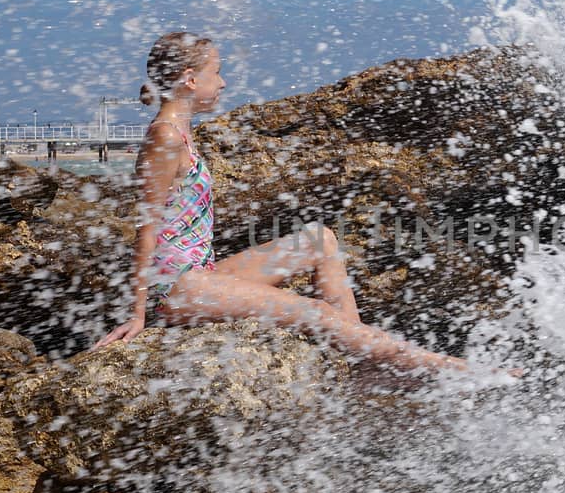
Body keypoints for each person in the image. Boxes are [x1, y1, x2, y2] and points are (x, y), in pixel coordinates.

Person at [94, 30, 472, 374]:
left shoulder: (180, 131)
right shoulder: (165, 138)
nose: (223, 82)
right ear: (191, 79)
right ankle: (429, 365)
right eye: (217, 72)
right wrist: (138, 315)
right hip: (175, 288)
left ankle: (363, 360)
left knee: (319, 241)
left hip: (199, 276)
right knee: (315, 311)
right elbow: (146, 228)